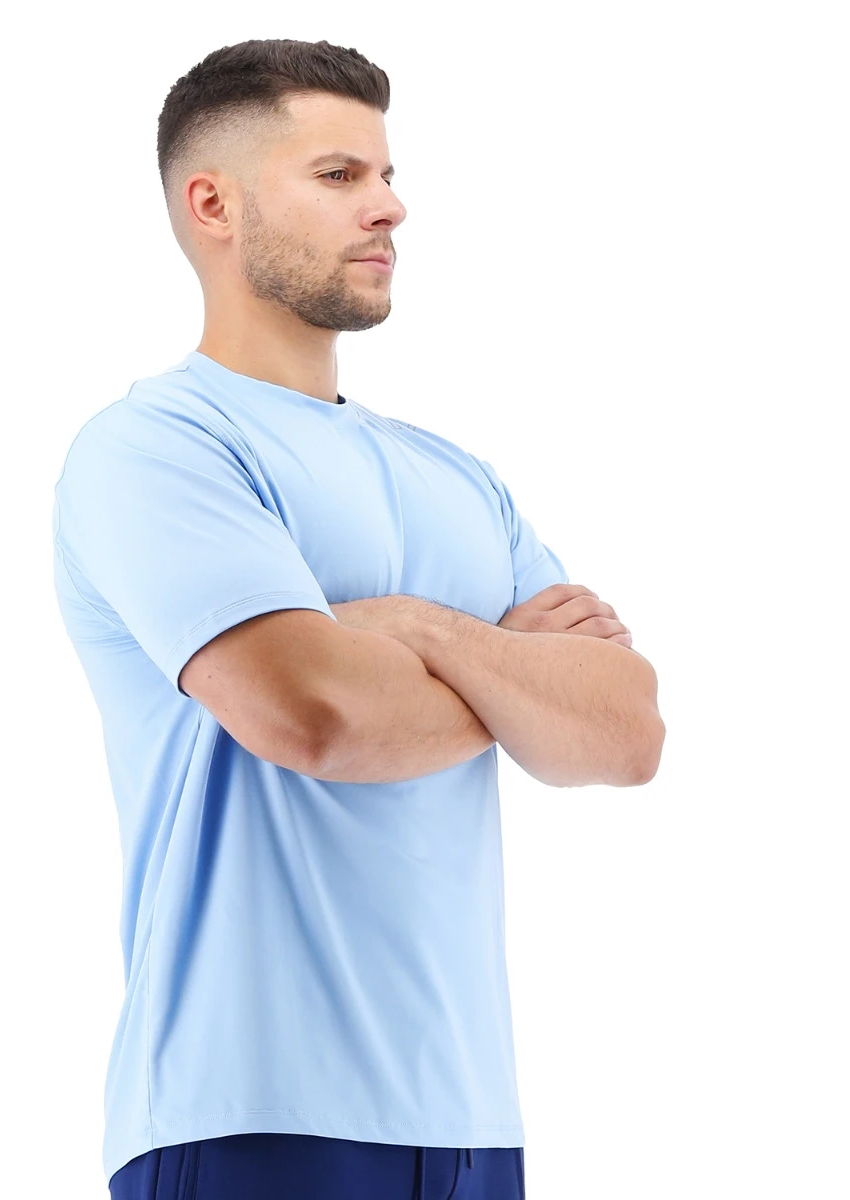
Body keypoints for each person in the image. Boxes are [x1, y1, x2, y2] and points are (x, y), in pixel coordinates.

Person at [51, 37, 665, 1200]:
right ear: (213, 204)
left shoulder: (458, 478)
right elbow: (314, 714)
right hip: (249, 1113)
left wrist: (422, 633)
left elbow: (626, 734)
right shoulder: (158, 447)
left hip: (474, 1123)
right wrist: (518, 678)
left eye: (386, 174)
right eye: (339, 176)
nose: (390, 207)